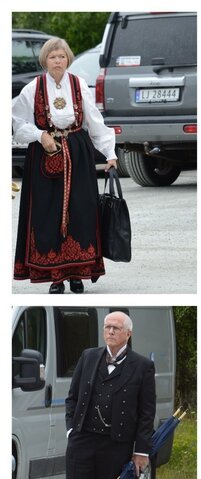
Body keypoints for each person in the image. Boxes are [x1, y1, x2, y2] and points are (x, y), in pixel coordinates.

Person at [44, 312, 156, 479]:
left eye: (116, 328)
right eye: (107, 327)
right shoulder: (89, 356)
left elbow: (146, 413)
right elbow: (72, 397)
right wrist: (72, 429)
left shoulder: (141, 366)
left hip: (116, 446)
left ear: (128, 333)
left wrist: (141, 451)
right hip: (82, 441)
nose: (110, 331)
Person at [12, 38, 117, 294]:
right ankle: (56, 277)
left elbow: (93, 119)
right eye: (52, 57)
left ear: (67, 59)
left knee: (81, 211)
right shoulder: (33, 88)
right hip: (45, 156)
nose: (57, 61)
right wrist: (40, 136)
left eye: (61, 56)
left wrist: (110, 152)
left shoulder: (78, 84)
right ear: (44, 61)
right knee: (48, 214)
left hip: (78, 153)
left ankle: (77, 274)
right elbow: (15, 119)